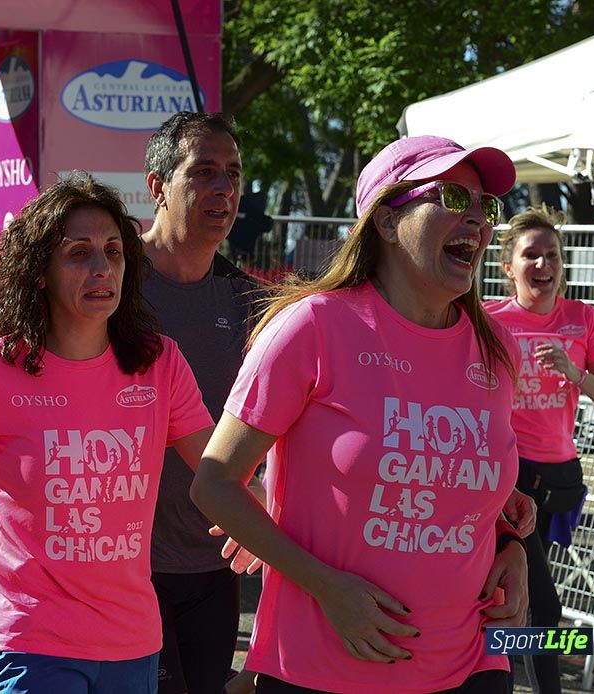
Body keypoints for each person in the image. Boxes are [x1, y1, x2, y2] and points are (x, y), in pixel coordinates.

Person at [192, 135, 534, 693]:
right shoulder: (312, 328)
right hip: (319, 667)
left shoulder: (496, 347)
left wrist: (510, 546)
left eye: (485, 206)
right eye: (451, 197)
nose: (476, 219)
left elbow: (468, 479)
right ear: (386, 221)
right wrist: (328, 588)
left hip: (469, 665)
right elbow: (215, 483)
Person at [0, 173, 216, 694]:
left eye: (113, 251)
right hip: (26, 639)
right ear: (39, 271)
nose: (100, 267)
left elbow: (222, 474)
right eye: (78, 252)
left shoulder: (161, 364)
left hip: (132, 641)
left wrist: (277, 540)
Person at [141, 111, 262, 694]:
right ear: (158, 185)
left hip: (217, 562)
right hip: (125, 563)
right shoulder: (108, 283)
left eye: (234, 174)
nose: (224, 188)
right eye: (205, 171)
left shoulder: (248, 300)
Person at [485, 204, 594, 694]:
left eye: (552, 256)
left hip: (560, 479)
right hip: (506, 476)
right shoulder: (488, 319)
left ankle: (492, 673)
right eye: (531, 256)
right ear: (508, 267)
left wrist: (577, 374)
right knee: (539, 605)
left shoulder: (583, 319)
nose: (543, 266)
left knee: (522, 600)